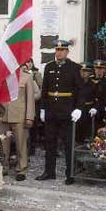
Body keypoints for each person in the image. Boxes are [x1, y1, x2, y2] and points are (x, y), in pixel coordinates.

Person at [37, 40, 83, 185]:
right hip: (51, 110)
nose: (59, 52)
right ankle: (49, 172)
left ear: (67, 52)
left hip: (67, 110)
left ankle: (70, 174)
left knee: (68, 143)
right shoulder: (49, 67)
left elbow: (80, 90)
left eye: (62, 50)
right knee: (50, 142)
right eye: (57, 49)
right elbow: (45, 89)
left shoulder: (74, 68)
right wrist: (43, 108)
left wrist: (78, 108)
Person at [1, 64, 36, 180]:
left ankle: (22, 168)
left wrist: (29, 116)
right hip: (3, 114)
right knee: (3, 143)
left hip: (19, 114)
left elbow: (30, 99)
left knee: (21, 144)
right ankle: (3, 166)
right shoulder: (2, 74)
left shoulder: (26, 77)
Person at [77, 62, 96, 142]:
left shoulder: (93, 84)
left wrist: (95, 107)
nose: (84, 73)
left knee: (86, 130)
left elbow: (96, 98)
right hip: (77, 108)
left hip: (88, 108)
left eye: (86, 71)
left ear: (90, 72)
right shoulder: (76, 83)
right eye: (82, 71)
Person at [90, 59, 106, 130]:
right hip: (91, 107)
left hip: (103, 107)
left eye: (101, 68)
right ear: (94, 69)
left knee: (102, 127)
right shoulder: (90, 80)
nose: (99, 70)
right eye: (97, 68)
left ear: (104, 70)